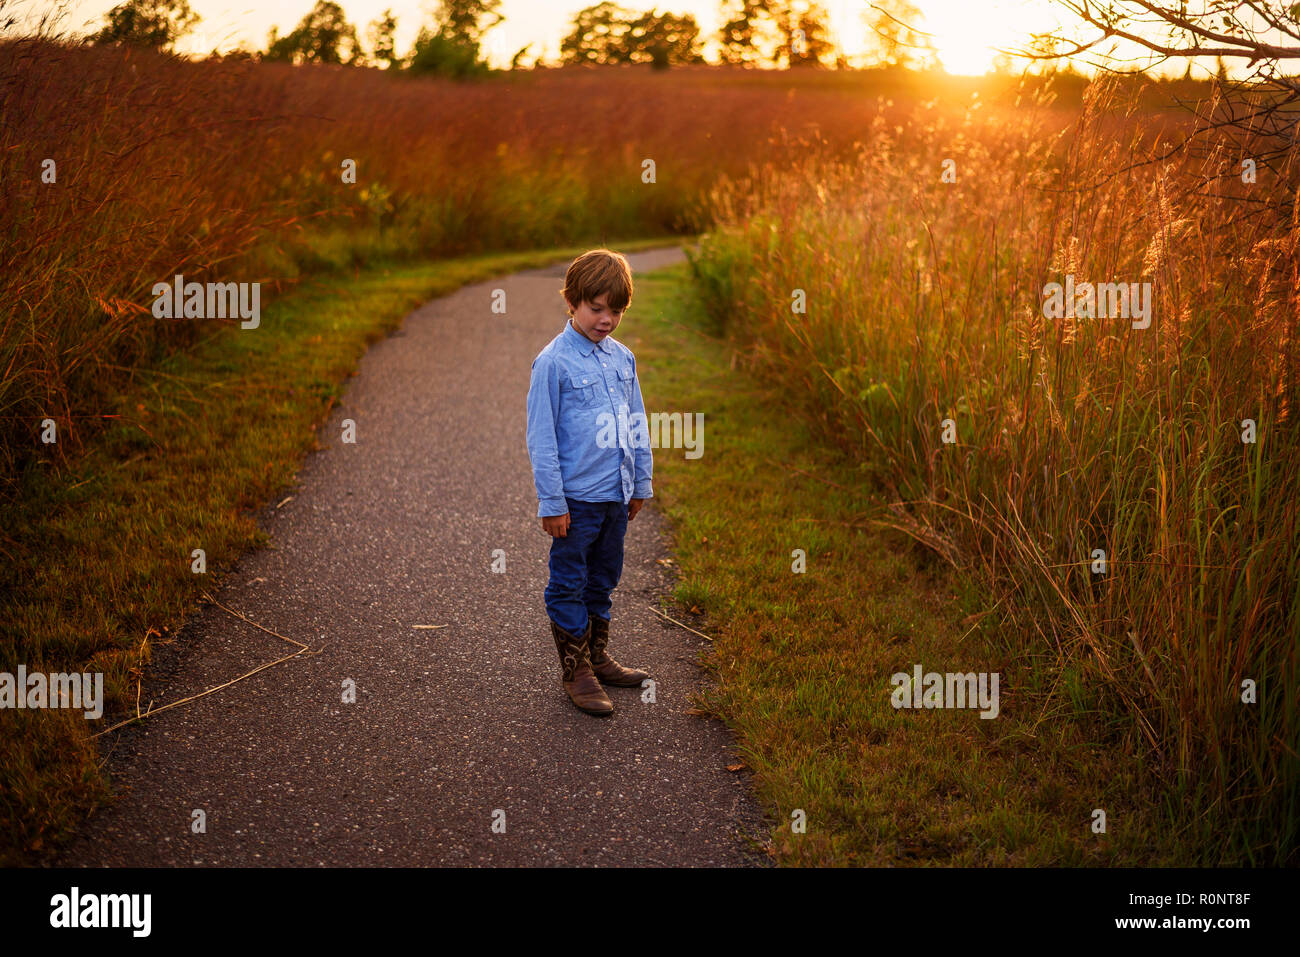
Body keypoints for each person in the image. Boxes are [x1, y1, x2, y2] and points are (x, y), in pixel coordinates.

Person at [525, 249, 653, 716]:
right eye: (596, 308)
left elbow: (636, 421)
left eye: (616, 310)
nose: (607, 319)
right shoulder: (553, 363)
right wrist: (552, 502)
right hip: (575, 502)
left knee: (603, 578)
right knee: (569, 581)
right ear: (572, 301)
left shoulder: (623, 359)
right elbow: (541, 438)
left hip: (615, 497)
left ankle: (598, 657)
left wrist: (640, 483)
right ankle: (575, 671)